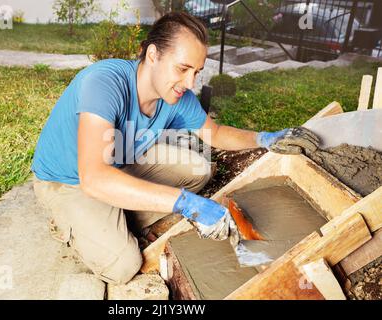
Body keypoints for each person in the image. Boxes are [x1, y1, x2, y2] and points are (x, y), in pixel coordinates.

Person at [31, 12, 319, 285]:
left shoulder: (176, 95)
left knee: (200, 171)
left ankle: (119, 209)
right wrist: (183, 203)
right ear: (153, 55)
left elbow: (215, 133)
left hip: (121, 157)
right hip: (69, 180)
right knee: (123, 265)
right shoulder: (105, 83)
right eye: (183, 69)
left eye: (197, 72)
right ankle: (72, 222)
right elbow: (93, 177)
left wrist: (264, 138)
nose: (190, 83)